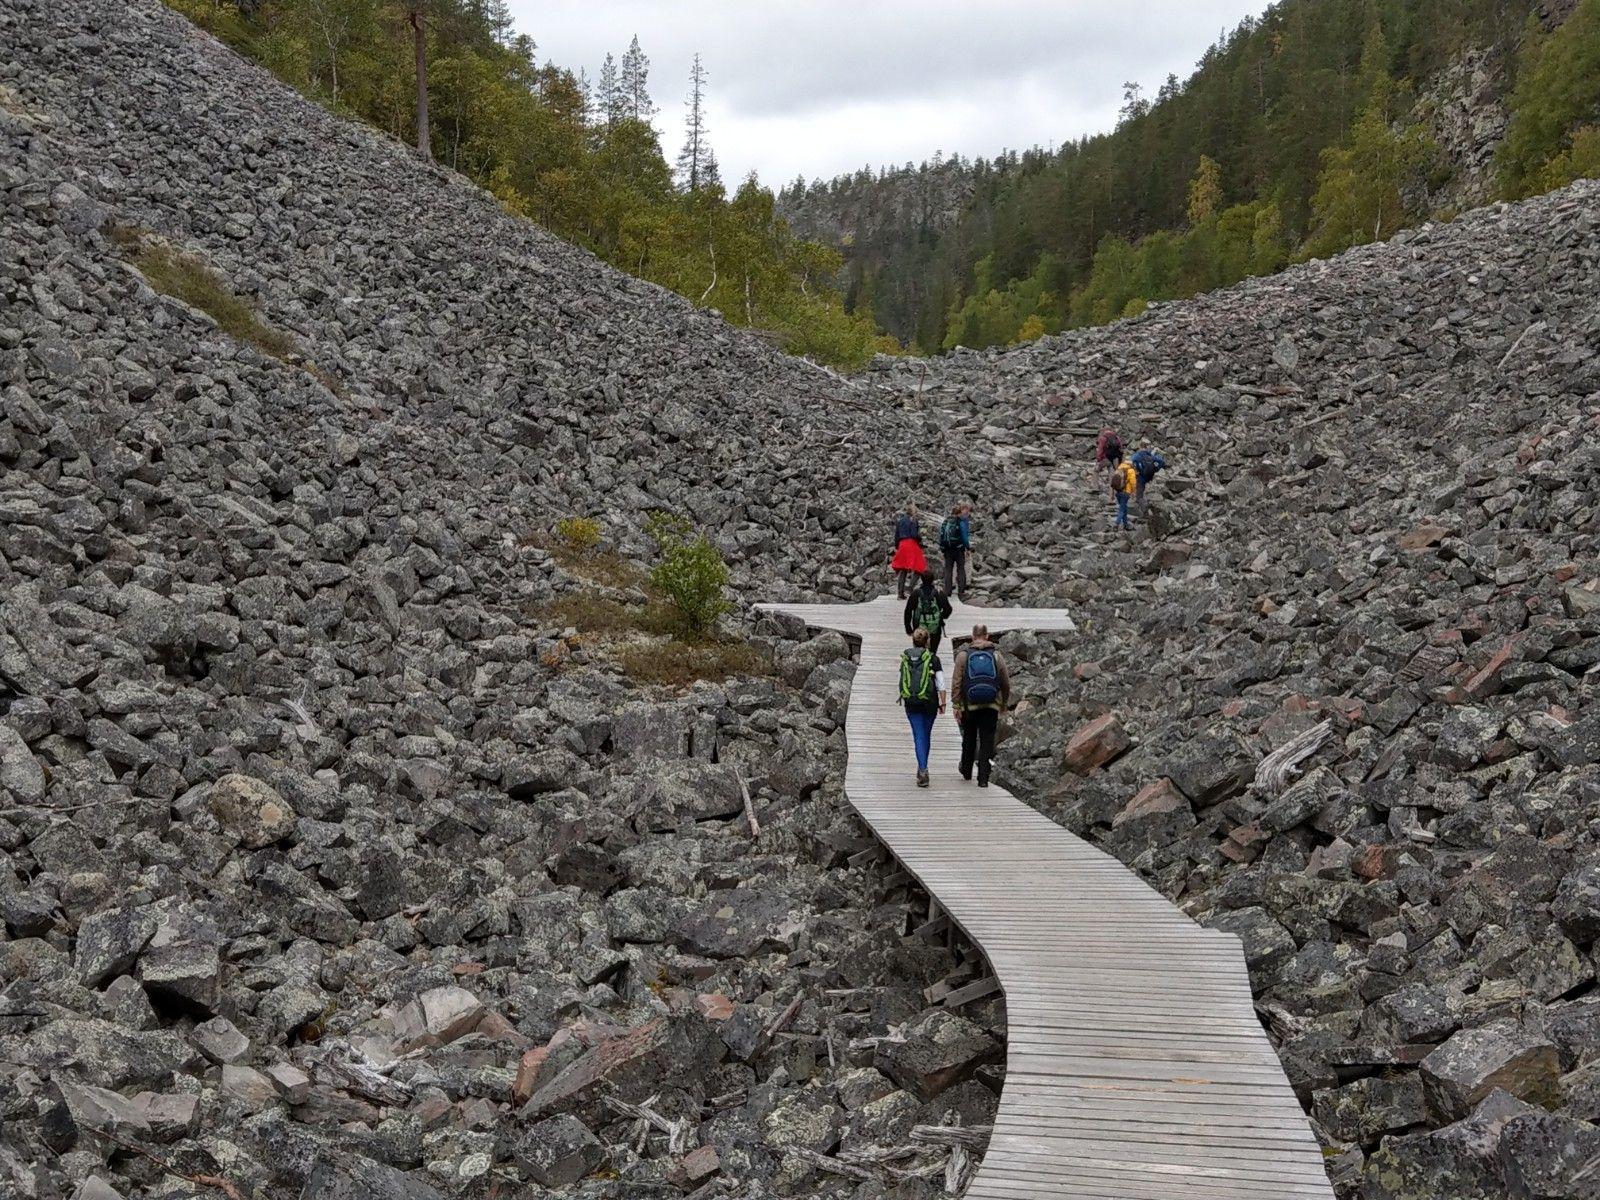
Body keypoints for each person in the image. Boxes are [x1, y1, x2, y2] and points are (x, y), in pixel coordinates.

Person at [952, 624, 1011, 787]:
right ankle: (983, 778)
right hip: (991, 705)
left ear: (972, 636)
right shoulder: (996, 656)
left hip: (969, 705)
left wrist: (956, 705)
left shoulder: (963, 656)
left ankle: (966, 770)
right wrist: (1004, 702)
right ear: (987, 636)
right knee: (987, 739)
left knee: (969, 737)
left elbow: (956, 682)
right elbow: (1005, 682)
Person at [898, 627, 947, 788]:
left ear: (913, 641)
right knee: (926, 734)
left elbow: (902, 679)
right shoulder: (933, 659)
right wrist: (943, 702)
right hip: (930, 702)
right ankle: (923, 767)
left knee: (918, 735)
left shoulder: (906, 658)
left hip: (911, 702)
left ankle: (923, 768)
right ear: (928, 641)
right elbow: (941, 684)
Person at [903, 570, 952, 656]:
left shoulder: (916, 593)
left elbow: (908, 611)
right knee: (932, 652)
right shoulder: (939, 593)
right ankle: (932, 662)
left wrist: (908, 628)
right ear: (933, 580)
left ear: (921, 579)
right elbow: (948, 609)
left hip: (919, 629)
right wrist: (940, 617)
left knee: (919, 653)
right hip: (935, 629)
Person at [890, 502, 926, 599]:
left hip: (902, 545)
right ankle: (910, 588)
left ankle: (900, 593)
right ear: (913, 512)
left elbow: (896, 535)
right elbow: (914, 534)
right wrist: (920, 539)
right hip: (911, 544)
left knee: (903, 568)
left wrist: (897, 546)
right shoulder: (913, 520)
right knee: (920, 567)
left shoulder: (900, 520)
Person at [937, 503, 971, 600]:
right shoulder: (960, 522)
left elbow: (941, 535)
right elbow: (964, 537)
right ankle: (961, 592)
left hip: (947, 549)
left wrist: (942, 548)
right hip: (958, 549)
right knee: (960, 569)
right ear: (959, 513)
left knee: (948, 569)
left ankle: (947, 591)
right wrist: (968, 547)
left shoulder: (945, 521)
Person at [1130, 446, 1167, 515]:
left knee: (1139, 496)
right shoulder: (1150, 456)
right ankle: (1143, 508)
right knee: (1142, 492)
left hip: (1140, 477)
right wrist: (1157, 469)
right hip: (1149, 477)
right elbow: (1161, 462)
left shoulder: (1136, 456)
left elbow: (1131, 463)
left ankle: (1145, 511)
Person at [1111, 455, 1138, 530]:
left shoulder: (1119, 468)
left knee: (1124, 507)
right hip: (1126, 492)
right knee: (1122, 509)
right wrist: (1134, 493)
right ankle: (1116, 524)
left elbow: (1113, 481)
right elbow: (1133, 483)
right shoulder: (1131, 470)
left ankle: (1125, 524)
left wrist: (1112, 494)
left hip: (1118, 491)